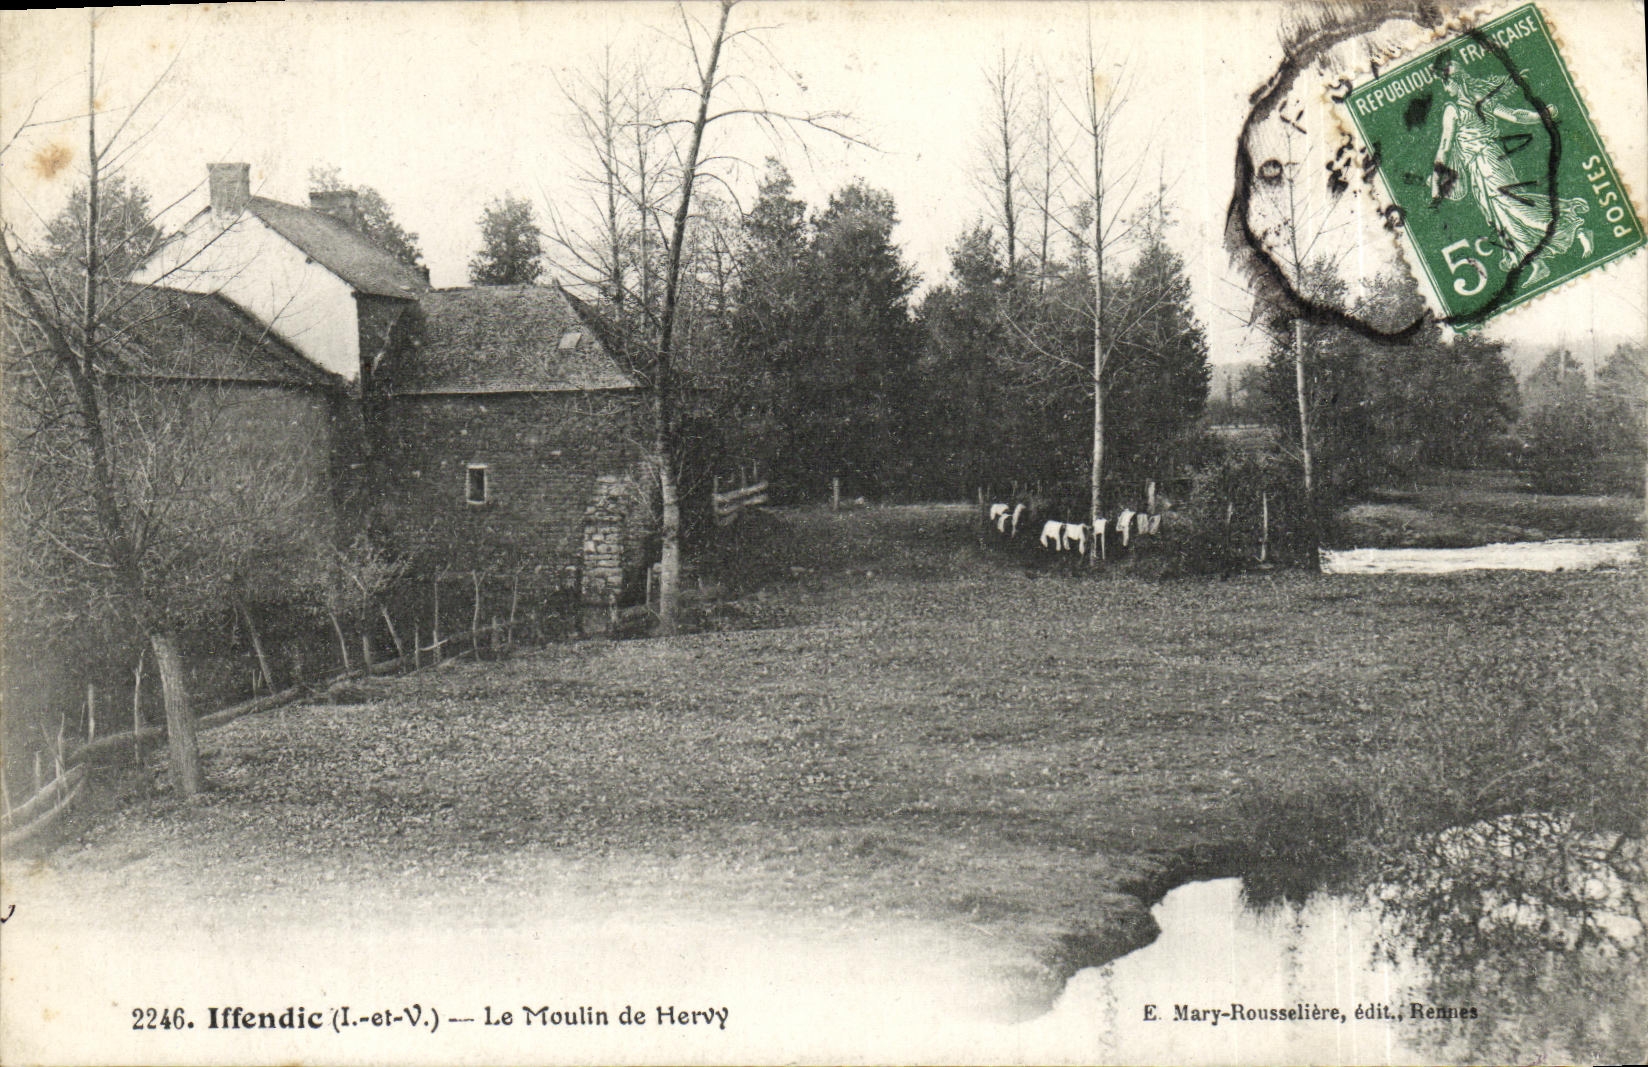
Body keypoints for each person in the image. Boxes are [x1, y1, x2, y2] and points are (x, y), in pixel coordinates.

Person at [1428, 61, 1591, 285]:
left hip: (1489, 163)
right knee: (1500, 217)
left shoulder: (1453, 109)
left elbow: (1444, 148)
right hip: (1480, 168)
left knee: (1515, 208)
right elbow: (1515, 115)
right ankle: (1537, 263)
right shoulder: (1478, 99)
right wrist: (1542, 116)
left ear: (1455, 81)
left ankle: (1574, 226)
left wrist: (1436, 188)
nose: (1446, 89)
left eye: (1445, 83)